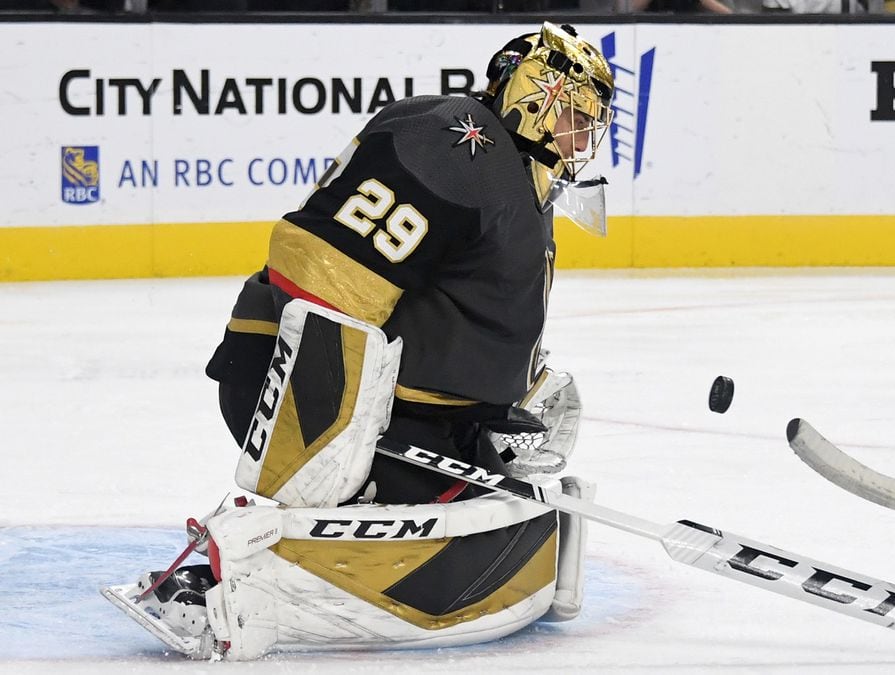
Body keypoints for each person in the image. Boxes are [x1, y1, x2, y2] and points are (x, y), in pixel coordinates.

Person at [104, 22, 614, 661]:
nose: (583, 133)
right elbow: (317, 277)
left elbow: (478, 314)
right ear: (530, 95)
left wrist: (508, 402)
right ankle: (228, 575)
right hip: (310, 389)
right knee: (342, 353)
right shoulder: (458, 141)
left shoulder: (520, 180)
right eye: (573, 111)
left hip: (406, 415)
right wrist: (357, 426)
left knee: (505, 493)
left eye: (591, 119)